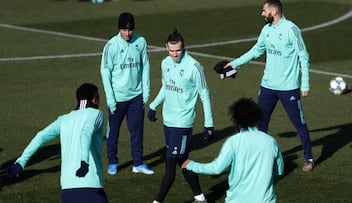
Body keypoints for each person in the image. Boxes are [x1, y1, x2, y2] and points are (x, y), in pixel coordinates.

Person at [224, 0, 314, 171]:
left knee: (299, 124)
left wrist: (305, 84)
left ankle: (308, 158)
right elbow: (256, 50)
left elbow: (304, 56)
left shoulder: (291, 30)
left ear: (274, 11)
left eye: (264, 10)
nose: (262, 14)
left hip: (288, 88)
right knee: (259, 124)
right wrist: (235, 64)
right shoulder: (267, 30)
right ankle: (262, 159)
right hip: (267, 87)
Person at [7, 83, 108, 203]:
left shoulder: (63, 119)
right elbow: (85, 133)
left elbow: (40, 137)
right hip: (92, 187)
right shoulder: (97, 114)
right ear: (95, 99)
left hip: (67, 190)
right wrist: (84, 162)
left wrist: (21, 162)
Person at [147, 29, 215, 203]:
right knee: (182, 161)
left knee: (170, 168)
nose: (175, 54)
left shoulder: (194, 67)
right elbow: (166, 86)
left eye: (178, 50)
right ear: (166, 48)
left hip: (183, 124)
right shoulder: (165, 63)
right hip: (168, 122)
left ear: (183, 47)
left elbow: (204, 95)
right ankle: (200, 197)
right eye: (171, 50)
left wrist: (209, 124)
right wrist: (154, 105)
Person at [182, 98, 284, 203]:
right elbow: (279, 171)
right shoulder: (271, 141)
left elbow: (216, 168)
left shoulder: (233, 142)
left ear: (237, 121)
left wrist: (191, 165)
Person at [100, 12, 153, 175]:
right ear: (119, 29)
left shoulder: (141, 42)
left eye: (130, 30)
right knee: (113, 132)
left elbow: (145, 66)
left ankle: (138, 163)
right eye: (124, 30)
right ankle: (113, 162)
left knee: (137, 131)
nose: (127, 33)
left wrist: (146, 91)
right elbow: (105, 72)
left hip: (136, 97)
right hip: (117, 98)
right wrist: (110, 99)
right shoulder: (111, 46)